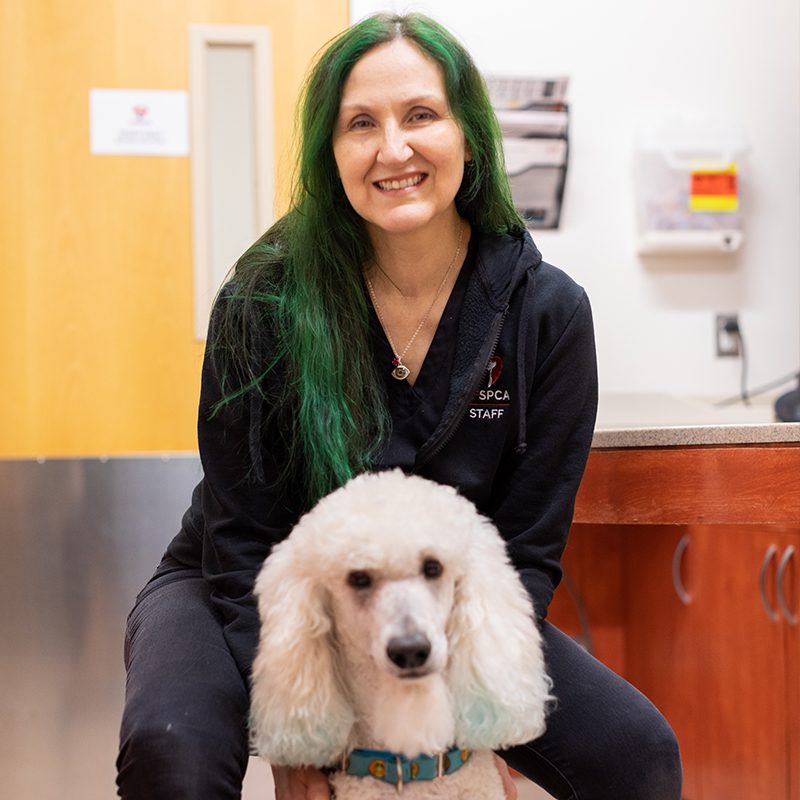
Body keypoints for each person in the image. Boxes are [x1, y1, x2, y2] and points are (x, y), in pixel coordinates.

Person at [116, 12, 682, 800]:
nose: (394, 148)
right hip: (238, 584)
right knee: (169, 752)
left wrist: (477, 732)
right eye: (360, 124)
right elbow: (243, 533)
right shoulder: (263, 299)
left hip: (449, 597)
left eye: (421, 115)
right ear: (331, 153)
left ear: (469, 136)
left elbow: (525, 551)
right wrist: (297, 736)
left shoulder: (545, 313)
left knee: (638, 756)